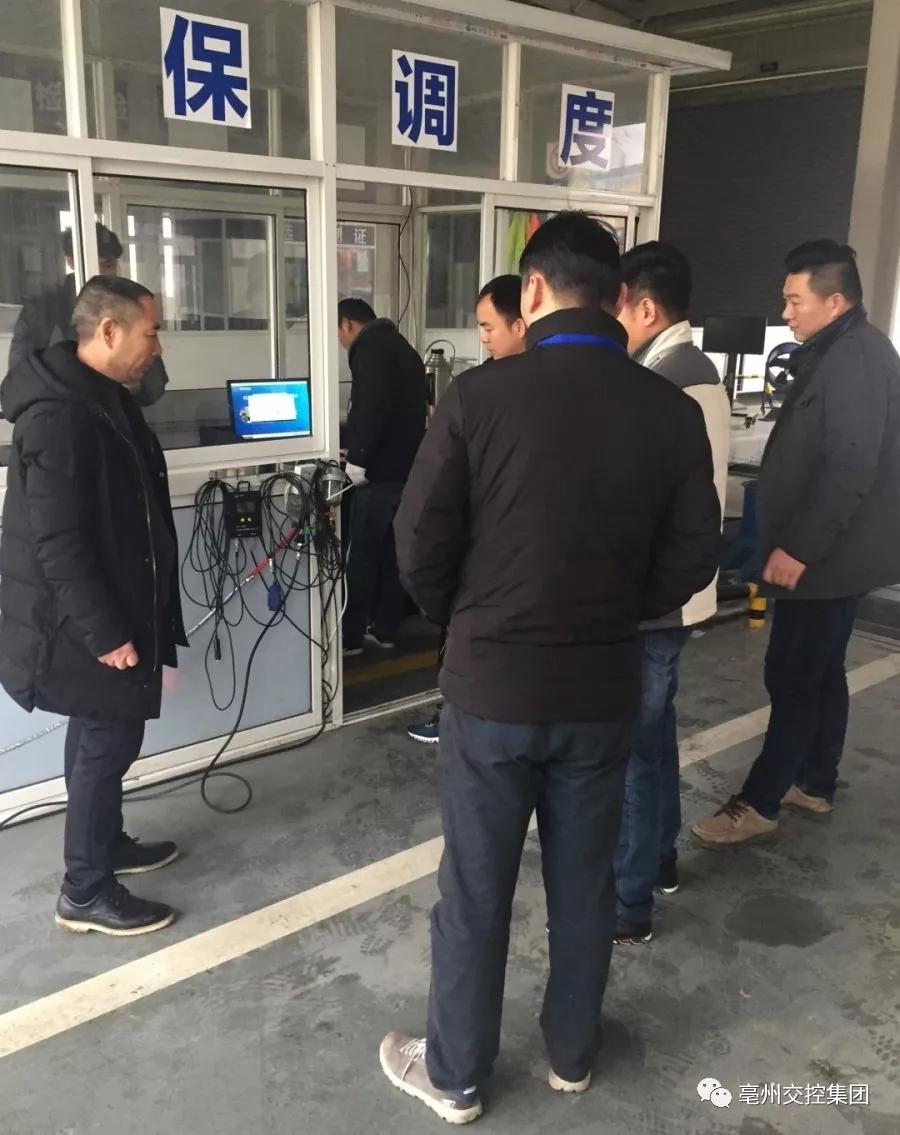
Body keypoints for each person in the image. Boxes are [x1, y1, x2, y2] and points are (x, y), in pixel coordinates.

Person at [384, 212, 722, 1124]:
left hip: (491, 690)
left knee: (475, 888)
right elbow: (695, 553)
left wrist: (469, 618)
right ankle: (572, 1054)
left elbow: (417, 544)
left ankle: (456, 1075)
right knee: (584, 881)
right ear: (618, 297)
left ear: (532, 290)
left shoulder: (477, 399)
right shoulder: (669, 411)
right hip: (601, 690)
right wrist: (618, 609)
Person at [693, 240, 900, 847]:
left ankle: (760, 802)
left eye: (794, 301)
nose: (785, 313)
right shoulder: (839, 349)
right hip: (833, 554)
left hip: (827, 559)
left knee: (794, 675)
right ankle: (813, 780)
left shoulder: (858, 359)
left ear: (834, 301)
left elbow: (849, 467)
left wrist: (799, 548)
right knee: (822, 670)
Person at [0, 276, 187, 937]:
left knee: (100, 734)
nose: (157, 346)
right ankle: (84, 889)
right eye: (151, 332)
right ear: (109, 331)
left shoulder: (103, 398)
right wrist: (107, 632)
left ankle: (104, 843)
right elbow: (59, 542)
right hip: (84, 621)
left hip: (110, 604)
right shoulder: (59, 417)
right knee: (107, 743)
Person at [612, 242, 731, 944]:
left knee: (633, 751)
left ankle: (627, 905)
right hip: (682, 593)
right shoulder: (699, 370)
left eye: (618, 309)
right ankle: (659, 858)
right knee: (654, 740)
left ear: (647, 308)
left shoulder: (664, 382)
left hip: (657, 599)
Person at [406, 275, 527, 745]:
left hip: (487, 583)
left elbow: (423, 518)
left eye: (489, 327)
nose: (483, 338)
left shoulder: (475, 394)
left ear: (521, 324)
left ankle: (454, 717)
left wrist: (443, 602)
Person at [339, 298, 427, 655]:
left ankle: (349, 637)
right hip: (407, 471)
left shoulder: (370, 348)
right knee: (393, 554)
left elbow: (372, 406)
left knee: (360, 555)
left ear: (347, 323)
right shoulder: (403, 347)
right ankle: (386, 628)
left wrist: (357, 458)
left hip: (377, 475)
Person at [8, 222, 169, 407]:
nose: (106, 273)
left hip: (117, 413)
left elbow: (155, 383)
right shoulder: (42, 310)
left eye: (111, 265)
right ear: (71, 261)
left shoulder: (128, 305)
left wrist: (133, 385)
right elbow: (20, 379)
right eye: (102, 264)